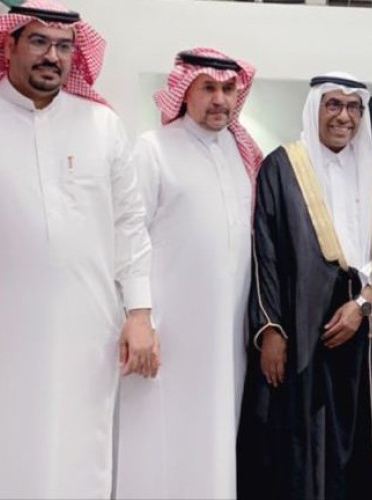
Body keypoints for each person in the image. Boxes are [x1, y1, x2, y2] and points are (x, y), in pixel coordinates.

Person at [0, 1, 155, 497]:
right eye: (38, 42)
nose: (52, 56)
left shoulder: (102, 125)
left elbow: (129, 224)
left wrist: (139, 313)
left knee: (78, 456)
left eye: (64, 46)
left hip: (85, 331)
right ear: (8, 44)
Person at [236, 72, 372, 500]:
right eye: (333, 105)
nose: (344, 117)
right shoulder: (282, 166)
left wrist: (363, 303)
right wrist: (270, 330)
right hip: (302, 327)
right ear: (314, 108)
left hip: (361, 327)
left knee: (360, 446)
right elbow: (264, 251)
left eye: (353, 107)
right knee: (304, 442)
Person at [115, 47, 261, 499]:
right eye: (208, 87)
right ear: (184, 91)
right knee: (158, 436)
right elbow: (127, 232)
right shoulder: (154, 148)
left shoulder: (240, 152)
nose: (220, 99)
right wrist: (139, 317)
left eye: (228, 89)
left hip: (226, 337)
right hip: (167, 332)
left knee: (214, 436)